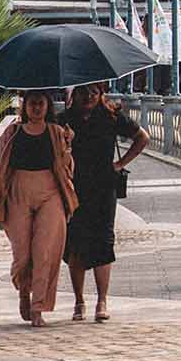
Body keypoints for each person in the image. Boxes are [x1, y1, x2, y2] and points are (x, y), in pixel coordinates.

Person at [60, 83, 149, 324]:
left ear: (101, 94)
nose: (88, 96)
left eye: (94, 92)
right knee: (75, 242)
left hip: (103, 187)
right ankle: (79, 301)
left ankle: (102, 301)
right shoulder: (65, 120)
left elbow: (142, 137)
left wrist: (120, 164)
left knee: (103, 240)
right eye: (83, 92)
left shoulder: (111, 116)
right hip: (73, 187)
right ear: (74, 94)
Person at [0, 91, 76, 328]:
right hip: (18, 192)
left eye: (41, 103)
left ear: (48, 106)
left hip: (50, 192)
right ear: (24, 106)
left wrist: (67, 145)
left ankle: (38, 307)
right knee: (22, 254)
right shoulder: (12, 133)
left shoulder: (57, 132)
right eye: (32, 104)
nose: (36, 108)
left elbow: (67, 168)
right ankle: (23, 291)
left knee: (45, 251)